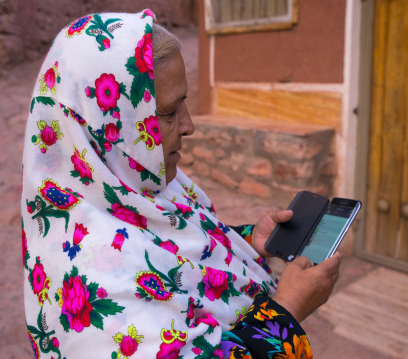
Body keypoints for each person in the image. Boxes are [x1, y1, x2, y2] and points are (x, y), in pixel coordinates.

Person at [21, 10, 341, 359]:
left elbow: (169, 243)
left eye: (183, 103)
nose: (188, 126)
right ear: (109, 126)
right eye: (169, 113)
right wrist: (289, 308)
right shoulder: (90, 281)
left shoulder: (138, 184)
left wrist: (246, 239)